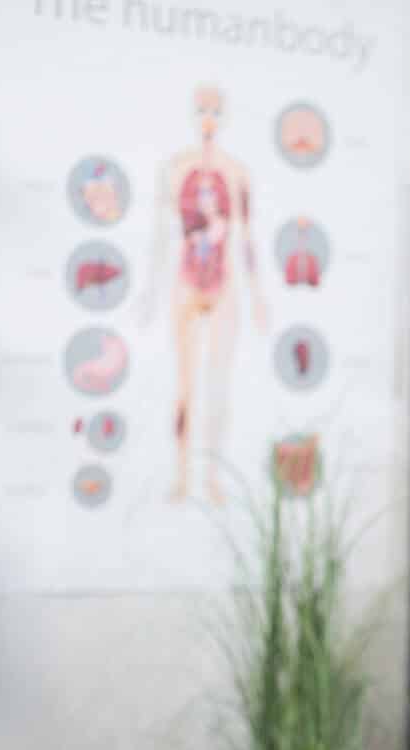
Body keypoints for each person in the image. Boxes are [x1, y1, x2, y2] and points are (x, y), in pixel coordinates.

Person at [141, 84, 269, 505]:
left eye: (215, 110)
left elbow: (246, 238)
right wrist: (149, 291)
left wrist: (258, 296)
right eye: (201, 110)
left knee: (217, 385)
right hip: (185, 281)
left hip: (223, 283)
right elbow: (161, 234)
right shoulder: (175, 168)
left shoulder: (237, 173)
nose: (208, 118)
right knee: (184, 386)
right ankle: (181, 476)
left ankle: (212, 477)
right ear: (192, 114)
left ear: (225, 116)